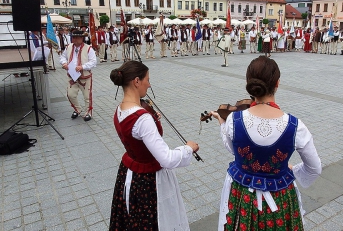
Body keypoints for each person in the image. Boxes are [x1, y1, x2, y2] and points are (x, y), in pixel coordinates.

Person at [211, 56, 321, 231]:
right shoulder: (295, 126)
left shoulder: (234, 120)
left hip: (243, 195)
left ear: (249, 83)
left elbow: (233, 149)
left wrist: (222, 124)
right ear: (277, 83)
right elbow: (314, 168)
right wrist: (291, 169)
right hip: (280, 197)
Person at [109, 61, 199, 230]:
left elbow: (136, 137)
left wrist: (151, 120)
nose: (149, 85)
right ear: (136, 81)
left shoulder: (120, 109)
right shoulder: (142, 118)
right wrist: (188, 148)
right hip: (147, 181)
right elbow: (167, 159)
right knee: (153, 222)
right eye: (147, 80)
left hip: (129, 173)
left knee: (133, 220)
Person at [59, 29, 97, 121]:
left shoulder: (88, 48)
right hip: (72, 75)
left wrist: (83, 66)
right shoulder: (69, 47)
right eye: (73, 37)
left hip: (85, 76)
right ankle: (77, 109)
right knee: (70, 95)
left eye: (77, 37)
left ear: (82, 38)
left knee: (87, 96)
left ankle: (88, 112)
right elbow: (63, 56)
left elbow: (93, 62)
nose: (74, 39)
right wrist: (64, 63)